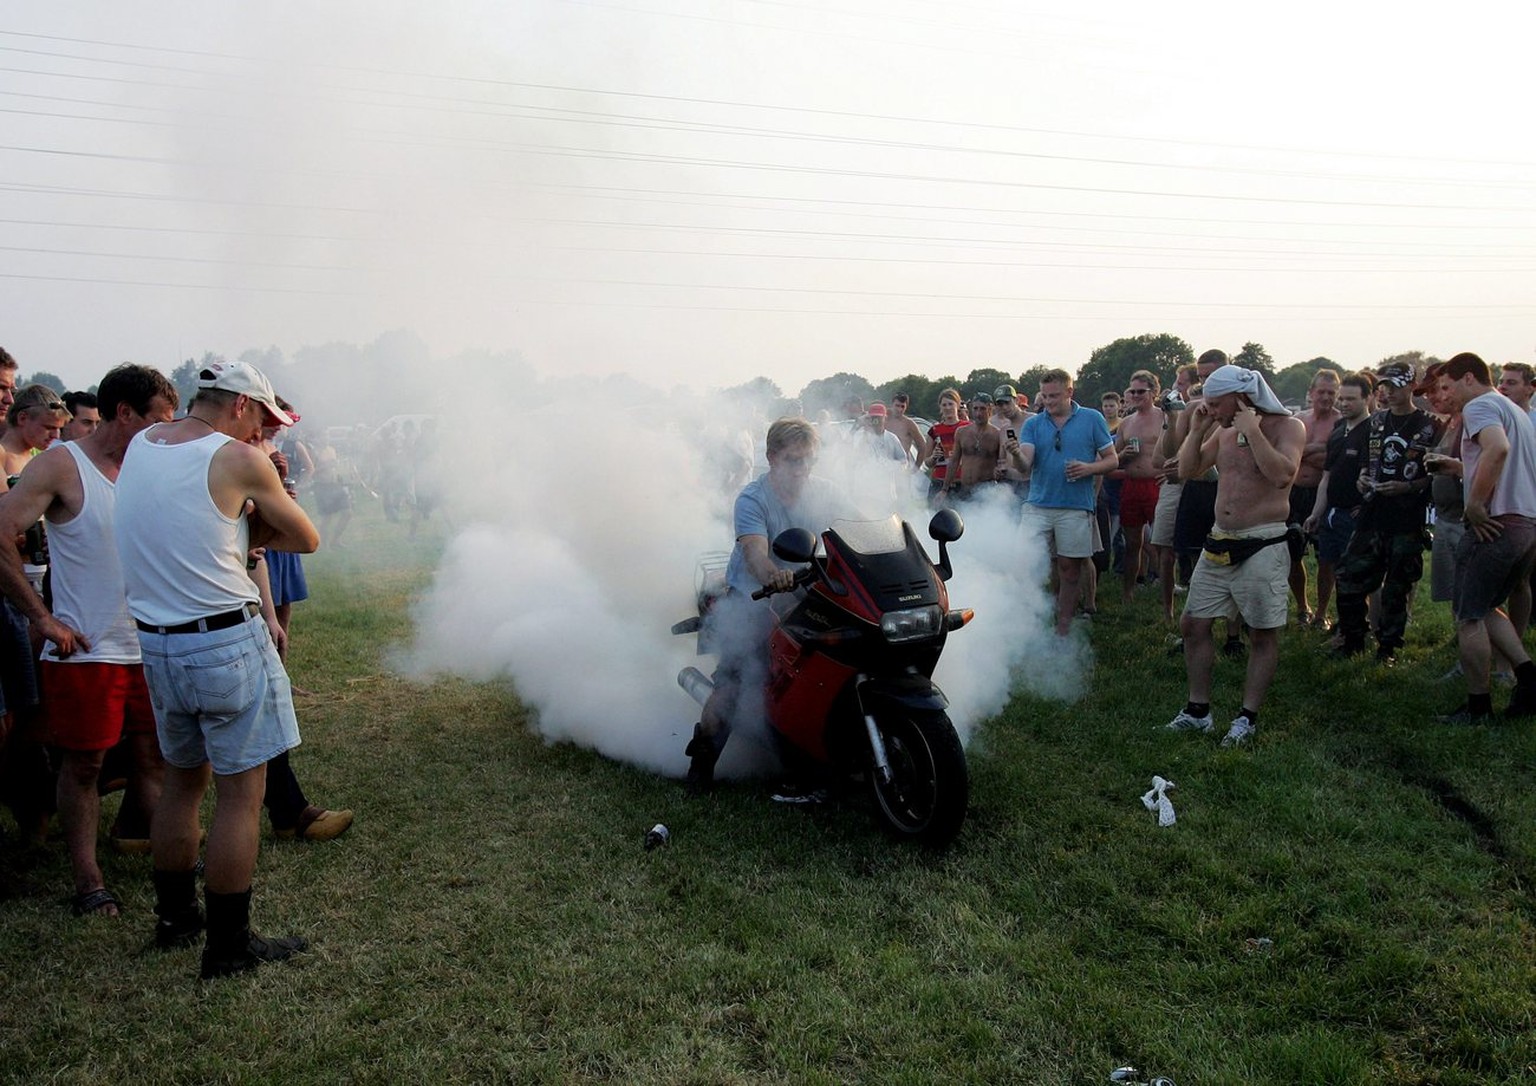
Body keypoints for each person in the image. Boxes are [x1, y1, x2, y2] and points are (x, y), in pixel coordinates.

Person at [115, 359, 320, 979]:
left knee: (181, 784)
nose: (262, 433)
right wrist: (265, 498)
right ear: (240, 405)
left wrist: (242, 518)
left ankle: (177, 919)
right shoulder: (239, 460)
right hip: (223, 640)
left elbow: (194, 528)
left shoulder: (143, 445)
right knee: (241, 796)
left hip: (159, 645)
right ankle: (229, 946)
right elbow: (305, 538)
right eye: (261, 418)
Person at [0, 365, 178, 916]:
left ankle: (160, 854)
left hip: (151, 642)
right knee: (84, 766)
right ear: (124, 413)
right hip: (88, 651)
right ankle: (88, 882)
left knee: (156, 757)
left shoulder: (152, 466)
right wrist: (43, 618)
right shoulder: (62, 464)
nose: (164, 434)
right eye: (157, 421)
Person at [685, 418, 841, 794]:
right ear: (771, 457)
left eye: (808, 461)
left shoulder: (824, 493)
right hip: (754, 597)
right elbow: (755, 553)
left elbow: (857, 528)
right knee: (733, 684)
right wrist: (774, 574)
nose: (802, 469)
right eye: (792, 460)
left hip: (807, 592)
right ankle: (701, 765)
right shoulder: (752, 499)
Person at [1164, 364, 1305, 746]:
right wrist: (1195, 430)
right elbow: (1189, 470)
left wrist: (1253, 430)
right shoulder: (1222, 431)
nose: (1211, 410)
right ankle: (1198, 711)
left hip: (1263, 541)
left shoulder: (1287, 427)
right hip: (1220, 539)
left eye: (1215, 403)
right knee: (1193, 624)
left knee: (1261, 632)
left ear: (1241, 397)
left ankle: (1247, 718)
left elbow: (1282, 475)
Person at [1435, 353, 1536, 723]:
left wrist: (1475, 503)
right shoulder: (1516, 412)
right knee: (1489, 606)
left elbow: (1498, 449)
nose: (1447, 395)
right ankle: (1528, 678)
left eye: (1448, 386)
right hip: (1525, 523)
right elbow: (1509, 461)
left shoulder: (1480, 405)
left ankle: (1478, 708)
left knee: (1468, 618)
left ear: (1468, 378)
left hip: (1495, 524)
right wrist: (1461, 469)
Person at [1330, 363, 1441, 664]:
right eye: (1384, 386)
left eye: (1394, 386)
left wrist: (1407, 487)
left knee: (1397, 587)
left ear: (1411, 386)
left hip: (1407, 518)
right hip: (1372, 512)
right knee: (1348, 576)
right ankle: (1354, 638)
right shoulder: (1377, 422)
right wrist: (1362, 478)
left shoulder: (1429, 425)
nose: (1388, 392)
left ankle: (1388, 648)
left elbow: (1437, 474)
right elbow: (1366, 463)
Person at [1013, 369, 1117, 636]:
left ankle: (1063, 628)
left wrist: (1089, 468)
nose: (1048, 402)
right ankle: (1026, 621)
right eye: (1045, 396)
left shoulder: (1092, 418)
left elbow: (1112, 460)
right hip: (1037, 505)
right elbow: (1026, 465)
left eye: (1054, 396)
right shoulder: (1034, 424)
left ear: (1070, 392)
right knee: (1025, 562)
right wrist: (1014, 454)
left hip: (1075, 506)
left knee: (1070, 568)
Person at [1303, 373, 1373, 634]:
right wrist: (1316, 513)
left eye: (1350, 399)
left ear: (1367, 398)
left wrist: (1365, 508)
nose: (1343, 403)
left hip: (1356, 515)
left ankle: (1355, 629)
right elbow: (1327, 477)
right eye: (1341, 398)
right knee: (1327, 565)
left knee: (1354, 573)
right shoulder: (1338, 431)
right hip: (1331, 512)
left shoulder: (1373, 431)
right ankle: (1329, 618)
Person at [1289, 369, 1341, 625]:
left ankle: (1321, 612)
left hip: (1325, 495)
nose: (1326, 397)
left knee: (1326, 558)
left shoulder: (1340, 423)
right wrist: (1319, 448)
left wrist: (1303, 451)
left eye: (1331, 392)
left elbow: (1332, 461)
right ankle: (1302, 607)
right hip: (1294, 494)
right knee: (1292, 553)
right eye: (1321, 391)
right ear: (1311, 393)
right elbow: (1289, 456)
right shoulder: (1298, 420)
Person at [1113, 371, 1165, 605]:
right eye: (1132, 391)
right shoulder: (1126, 422)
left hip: (1157, 484)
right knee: (1132, 543)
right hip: (1131, 485)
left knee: (1163, 543)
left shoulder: (1165, 418)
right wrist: (1123, 455)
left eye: (1140, 391)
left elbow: (1180, 449)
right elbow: (1112, 458)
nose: (1135, 395)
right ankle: (1128, 592)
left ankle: (1166, 591)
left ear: (1153, 392)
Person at [943, 394, 1002, 502]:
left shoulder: (997, 435)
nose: (978, 413)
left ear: (990, 409)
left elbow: (1002, 463)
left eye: (982, 409)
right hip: (964, 489)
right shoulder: (962, 432)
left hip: (986, 491)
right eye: (975, 408)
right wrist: (944, 490)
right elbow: (954, 461)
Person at [921, 390, 968, 505]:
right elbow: (927, 462)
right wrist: (934, 457)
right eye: (944, 405)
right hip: (939, 482)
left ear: (957, 405)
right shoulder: (934, 430)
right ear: (940, 407)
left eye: (950, 404)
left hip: (961, 483)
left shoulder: (967, 427)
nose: (947, 408)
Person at [885, 393, 925, 462]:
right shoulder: (884, 419)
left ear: (906, 407)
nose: (899, 409)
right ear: (892, 405)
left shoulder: (909, 424)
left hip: (901, 467)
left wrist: (915, 469)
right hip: (883, 465)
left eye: (902, 406)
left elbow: (923, 447)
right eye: (897, 406)